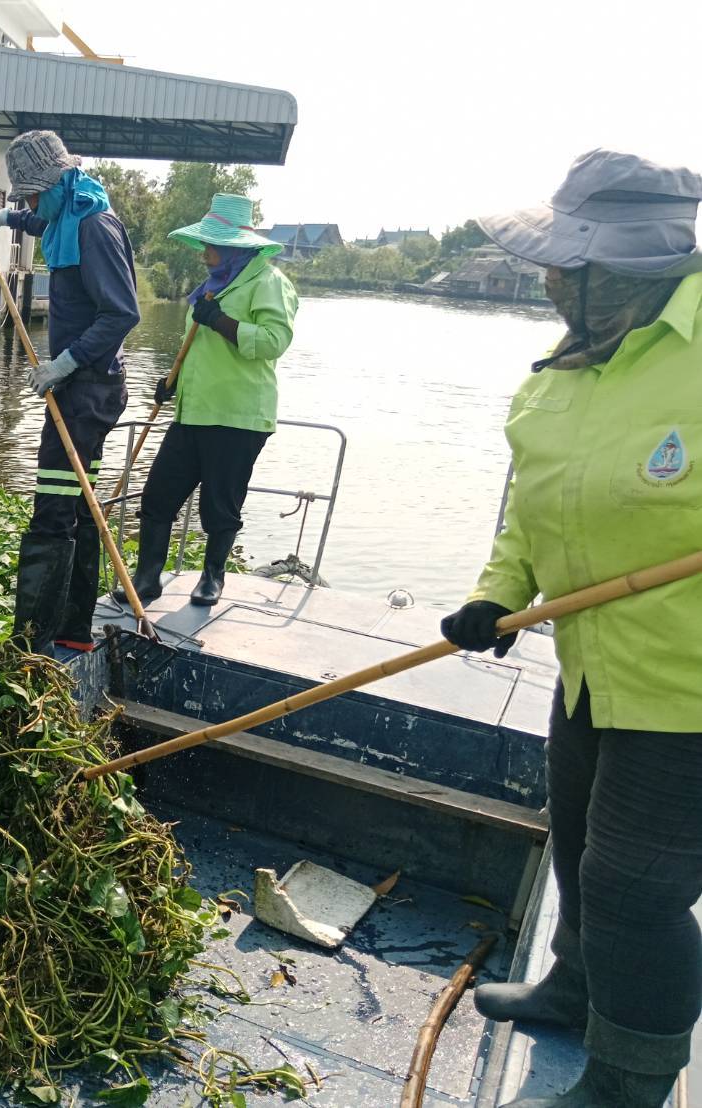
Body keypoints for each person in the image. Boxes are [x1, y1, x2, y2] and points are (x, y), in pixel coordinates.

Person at [441, 150, 702, 1108]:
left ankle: (629, 1082)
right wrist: (497, 592)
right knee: (580, 846)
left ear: (621, 270)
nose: (549, 282)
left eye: (565, 267)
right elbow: (532, 507)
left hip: (685, 690)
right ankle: (573, 986)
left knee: (637, 888)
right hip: (590, 665)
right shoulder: (566, 366)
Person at [0, 131, 139, 653]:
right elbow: (42, 222)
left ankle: (32, 642)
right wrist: (2, 218)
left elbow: (122, 313)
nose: (32, 205)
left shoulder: (94, 227)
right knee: (79, 505)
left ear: (58, 182)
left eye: (34, 195)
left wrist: (64, 362)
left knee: (55, 508)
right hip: (82, 385)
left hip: (88, 390)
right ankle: (71, 631)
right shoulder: (69, 213)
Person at [116, 194, 296, 607]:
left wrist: (219, 320)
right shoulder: (213, 286)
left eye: (211, 245)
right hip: (193, 411)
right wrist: (173, 382)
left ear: (234, 246)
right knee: (158, 497)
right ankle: (147, 578)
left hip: (237, 417)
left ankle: (213, 577)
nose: (204, 253)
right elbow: (197, 348)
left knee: (220, 506)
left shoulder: (268, 283)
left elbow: (274, 341)